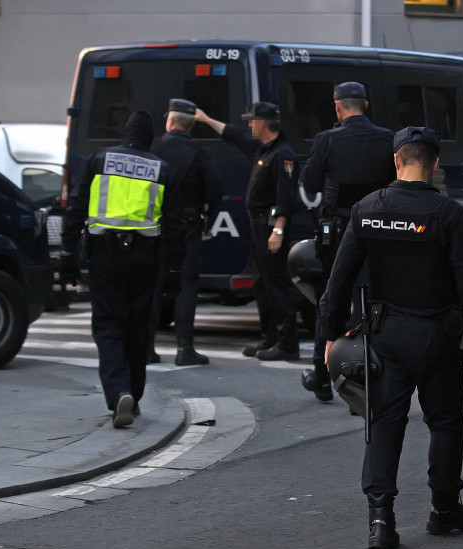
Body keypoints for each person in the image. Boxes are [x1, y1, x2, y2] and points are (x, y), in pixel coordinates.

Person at [319, 127, 463, 549]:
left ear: (396, 160)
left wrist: (328, 337)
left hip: (385, 335)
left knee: (383, 423)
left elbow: (336, 284)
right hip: (437, 335)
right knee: (446, 423)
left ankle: (380, 520)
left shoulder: (367, 209)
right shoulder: (448, 214)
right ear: (433, 164)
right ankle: (445, 509)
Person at [60, 111, 183, 428]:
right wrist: (174, 271)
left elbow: (75, 207)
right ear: (150, 138)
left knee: (108, 325)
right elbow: (175, 227)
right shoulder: (163, 170)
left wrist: (67, 252)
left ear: (125, 133)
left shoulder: (99, 160)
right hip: (146, 257)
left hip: (105, 256)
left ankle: (118, 394)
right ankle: (135, 396)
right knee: (139, 328)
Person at [299, 82, 395, 403]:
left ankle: (323, 374)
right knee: (369, 300)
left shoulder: (327, 140)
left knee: (331, 295)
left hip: (339, 228)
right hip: (378, 227)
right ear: (365, 105)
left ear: (338, 108)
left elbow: (310, 184)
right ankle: (364, 372)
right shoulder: (386, 139)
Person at [196, 102, 305, 361]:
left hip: (270, 227)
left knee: (276, 283)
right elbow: (233, 135)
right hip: (258, 226)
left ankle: (287, 343)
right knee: (261, 283)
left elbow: (287, 198)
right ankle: (270, 337)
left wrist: (277, 230)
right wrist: (206, 118)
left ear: (263, 123)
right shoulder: (263, 149)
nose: (249, 125)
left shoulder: (283, 154)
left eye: (252, 120)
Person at [148, 99, 222, 366]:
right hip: (187, 225)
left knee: (153, 285)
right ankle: (184, 349)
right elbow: (215, 191)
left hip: (153, 225)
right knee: (185, 286)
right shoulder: (198, 153)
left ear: (169, 122)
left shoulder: (152, 149)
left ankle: (147, 348)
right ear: (190, 126)